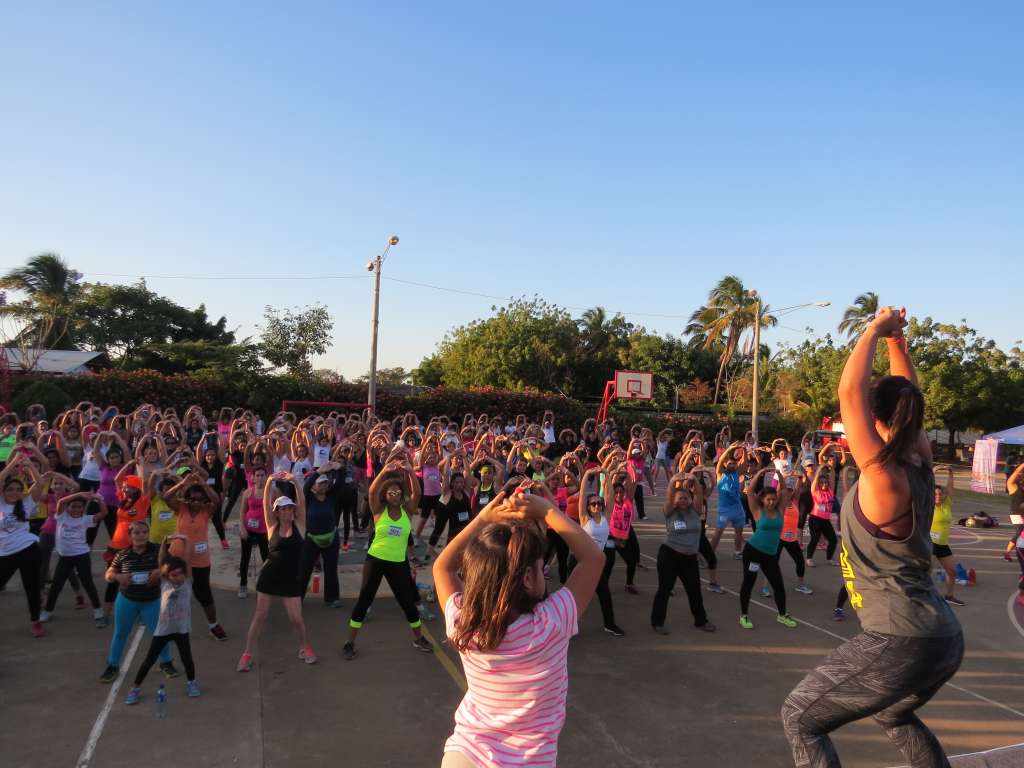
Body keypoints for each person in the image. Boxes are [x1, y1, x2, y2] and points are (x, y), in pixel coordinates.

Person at [782, 306, 963, 768]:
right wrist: (896, 343)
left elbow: (849, 391)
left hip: (899, 637)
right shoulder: (918, 460)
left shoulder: (884, 477)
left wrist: (874, 330)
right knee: (893, 715)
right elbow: (911, 397)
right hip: (940, 633)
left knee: (801, 717)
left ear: (877, 418)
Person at [433, 483, 604, 768]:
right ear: (526, 578)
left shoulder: (463, 623)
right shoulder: (551, 623)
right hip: (528, 761)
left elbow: (442, 567)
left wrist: (484, 519)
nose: (544, 573)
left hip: (465, 755)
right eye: (541, 568)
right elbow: (593, 557)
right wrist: (549, 511)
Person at [343, 460, 432, 660]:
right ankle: (349, 642)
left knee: (408, 603)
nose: (394, 494)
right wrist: (384, 470)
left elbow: (417, 494)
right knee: (364, 600)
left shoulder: (407, 513)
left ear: (402, 495)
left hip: (398, 563)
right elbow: (373, 491)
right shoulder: (378, 511)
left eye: (397, 492)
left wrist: (410, 472)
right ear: (386, 494)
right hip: (375, 560)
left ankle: (419, 638)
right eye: (390, 492)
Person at [238, 473, 316, 671]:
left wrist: (295, 481)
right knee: (260, 616)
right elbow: (265, 504)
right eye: (283, 509)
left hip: (291, 578)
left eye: (290, 507)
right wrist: (270, 481)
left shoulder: (300, 525)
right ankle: (246, 654)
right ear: (277, 512)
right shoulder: (272, 527)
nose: (287, 511)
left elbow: (303, 501)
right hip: (270, 576)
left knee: (296, 619)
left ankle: (303, 647)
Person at [125, 534, 201, 703]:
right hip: (164, 629)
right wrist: (164, 542)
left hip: (181, 629)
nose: (176, 577)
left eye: (179, 574)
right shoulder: (165, 582)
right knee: (149, 660)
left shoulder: (187, 581)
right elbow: (161, 561)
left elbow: (187, 558)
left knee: (187, 658)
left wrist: (185, 540)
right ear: (167, 576)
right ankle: (135, 688)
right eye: (172, 575)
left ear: (184, 573)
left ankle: (192, 683)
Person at [101, 520, 179, 683]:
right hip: (127, 600)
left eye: (144, 532)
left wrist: (160, 571)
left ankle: (165, 662)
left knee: (160, 633)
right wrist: (117, 576)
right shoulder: (122, 554)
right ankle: (113, 665)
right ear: (129, 536)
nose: (141, 535)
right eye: (136, 532)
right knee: (121, 633)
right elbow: (108, 574)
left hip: (152, 601)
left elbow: (175, 566)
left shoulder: (158, 550)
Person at [652, 472, 715, 634]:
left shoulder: (696, 511)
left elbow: (699, 493)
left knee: (694, 590)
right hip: (669, 556)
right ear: (674, 500)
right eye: (679, 498)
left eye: (686, 498)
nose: (682, 500)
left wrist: (693, 478)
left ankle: (701, 621)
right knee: (664, 590)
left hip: (689, 558)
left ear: (690, 500)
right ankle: (657, 622)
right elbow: (670, 494)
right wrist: (674, 481)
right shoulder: (669, 511)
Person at [167, 474, 228, 640]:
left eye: (201, 499)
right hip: (177, 557)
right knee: (175, 593)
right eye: (193, 499)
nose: (196, 502)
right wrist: (182, 484)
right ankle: (173, 626)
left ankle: (213, 625)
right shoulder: (181, 508)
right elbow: (166, 497)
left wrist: (203, 484)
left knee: (204, 594)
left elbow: (217, 501)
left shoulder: (206, 511)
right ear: (187, 499)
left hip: (200, 560)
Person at [738, 468, 798, 630]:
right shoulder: (758, 511)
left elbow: (784, 491)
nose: (771, 502)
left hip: (770, 555)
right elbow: (750, 490)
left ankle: (782, 615)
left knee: (778, 585)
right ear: (763, 500)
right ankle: (744, 616)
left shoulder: (780, 510)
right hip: (753, 552)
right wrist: (762, 472)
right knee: (748, 583)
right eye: (768, 499)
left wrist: (779, 474)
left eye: (773, 499)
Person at [40, 491, 109, 627]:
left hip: (81, 556)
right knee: (56, 586)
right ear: (68, 507)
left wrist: (98, 499)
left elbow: (103, 514)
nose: (76, 509)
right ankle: (47, 611)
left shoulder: (85, 519)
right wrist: (80, 495)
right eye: (73, 506)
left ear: (83, 508)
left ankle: (98, 611)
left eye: (79, 507)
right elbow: (61, 502)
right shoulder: (61, 516)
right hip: (65, 558)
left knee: (88, 583)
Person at [0, 457, 45, 637]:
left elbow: (40, 482)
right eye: (10, 489)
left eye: (18, 489)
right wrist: (13, 463)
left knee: (31, 587)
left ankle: (36, 621)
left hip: (28, 550)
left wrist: (29, 465)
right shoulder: (1, 503)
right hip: (4, 553)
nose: (14, 492)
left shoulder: (27, 503)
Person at [297, 463, 343, 609]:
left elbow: (340, 481)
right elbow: (306, 485)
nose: (323, 486)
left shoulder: (332, 496)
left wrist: (338, 468)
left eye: (325, 483)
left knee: (331, 569)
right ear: (313, 487)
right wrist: (319, 472)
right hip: (312, 539)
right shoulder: (308, 498)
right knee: (305, 569)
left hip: (331, 538)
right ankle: (298, 598)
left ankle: (332, 598)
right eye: (320, 484)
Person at [930, 465, 964, 606]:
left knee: (952, 571)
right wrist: (933, 472)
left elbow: (950, 488)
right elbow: (926, 485)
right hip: (929, 542)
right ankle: (926, 599)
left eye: (940, 494)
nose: (938, 496)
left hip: (942, 544)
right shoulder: (928, 504)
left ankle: (949, 596)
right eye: (935, 494)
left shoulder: (947, 504)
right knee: (927, 574)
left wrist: (950, 473)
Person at [710, 444, 749, 560]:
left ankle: (737, 552)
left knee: (738, 532)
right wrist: (730, 449)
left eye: (734, 463)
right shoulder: (720, 474)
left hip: (737, 508)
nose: (732, 465)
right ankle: (710, 554)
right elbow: (721, 459)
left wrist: (745, 450)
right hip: (724, 510)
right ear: (725, 465)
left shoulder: (737, 473)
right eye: (730, 463)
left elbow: (745, 463)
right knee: (718, 532)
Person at [238, 466, 271, 599]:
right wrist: (242, 528)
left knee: (266, 558)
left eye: (262, 475)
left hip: (264, 530)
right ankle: (243, 585)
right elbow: (242, 513)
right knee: (245, 558)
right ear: (253, 477)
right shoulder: (248, 492)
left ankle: (266, 586)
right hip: (249, 529)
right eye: (257, 475)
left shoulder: (272, 491)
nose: (260, 478)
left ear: (266, 476)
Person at [805, 464, 838, 568]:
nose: (824, 484)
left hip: (825, 520)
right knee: (815, 539)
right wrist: (820, 468)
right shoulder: (815, 491)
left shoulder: (830, 491)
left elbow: (832, 478)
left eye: (826, 482)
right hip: (815, 519)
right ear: (818, 483)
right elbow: (815, 479)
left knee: (833, 540)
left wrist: (831, 468)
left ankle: (829, 559)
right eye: (822, 482)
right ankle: (809, 558)